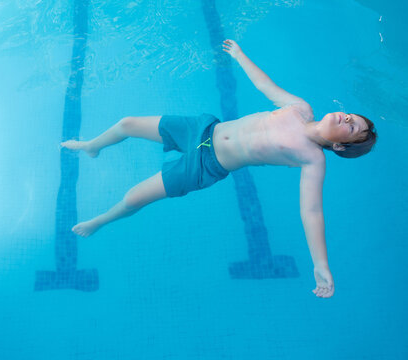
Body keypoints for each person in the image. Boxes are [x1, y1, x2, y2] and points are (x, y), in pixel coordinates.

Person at [60, 39, 377, 298]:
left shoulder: (313, 159)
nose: (346, 119)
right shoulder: (301, 109)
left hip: (205, 165)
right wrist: (241, 55)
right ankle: (93, 146)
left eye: (351, 129)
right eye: (351, 117)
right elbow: (267, 86)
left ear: (340, 147)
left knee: (133, 198)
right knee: (127, 123)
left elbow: (311, 212)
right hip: (202, 129)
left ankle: (100, 221)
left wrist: (320, 264)